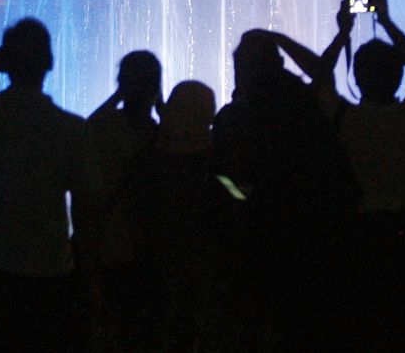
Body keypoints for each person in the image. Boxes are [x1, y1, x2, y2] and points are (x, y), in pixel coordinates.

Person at [0, 18, 99, 352]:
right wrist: (85, 270)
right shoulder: (73, 130)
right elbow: (86, 207)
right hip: (49, 268)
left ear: (5, 61)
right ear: (50, 63)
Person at [213, 28, 358, 350]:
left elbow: (223, 179)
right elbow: (321, 73)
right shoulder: (304, 106)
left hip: (260, 244)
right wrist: (278, 38)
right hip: (313, 240)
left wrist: (245, 200)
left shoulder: (233, 119)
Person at [321, 0, 405, 352]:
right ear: (398, 77)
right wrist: (385, 20)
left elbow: (321, 79)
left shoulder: (345, 120)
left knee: (364, 324)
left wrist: (343, 32)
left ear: (355, 75)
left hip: (361, 234)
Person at [122, 80, 232, 352]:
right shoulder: (216, 163)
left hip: (152, 268)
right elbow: (237, 197)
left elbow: (133, 210)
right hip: (204, 269)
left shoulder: (145, 160)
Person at [84, 50, 162, 350]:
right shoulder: (159, 136)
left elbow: (85, 130)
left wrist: (118, 95)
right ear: (156, 87)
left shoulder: (103, 127)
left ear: (121, 83)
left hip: (105, 249)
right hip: (145, 253)